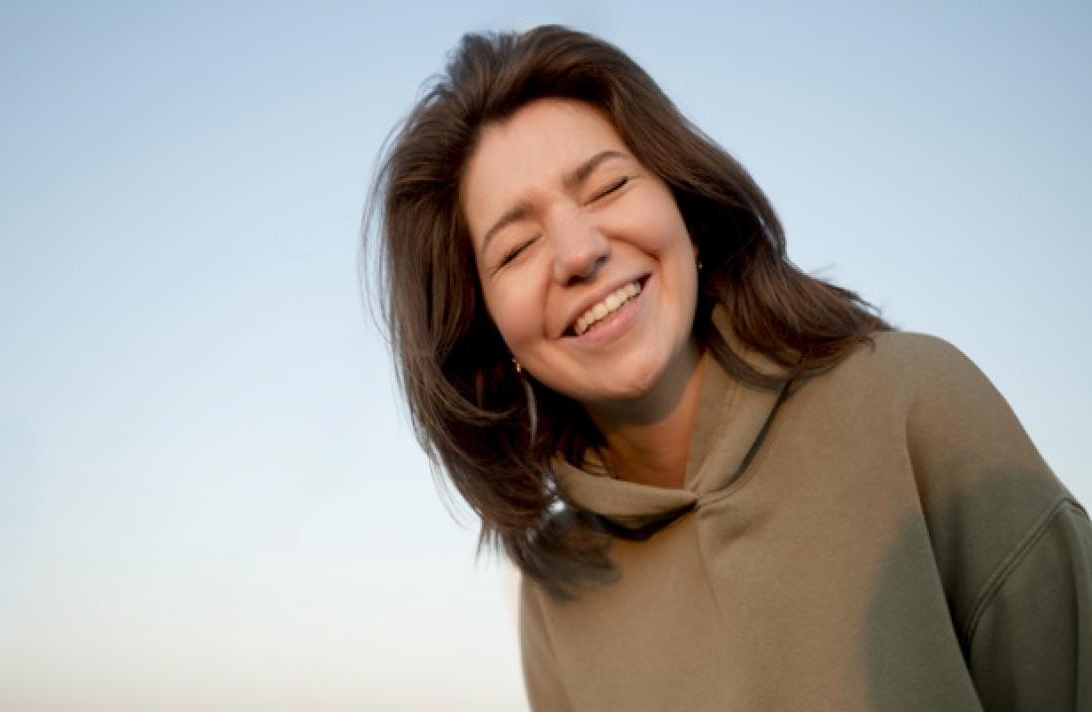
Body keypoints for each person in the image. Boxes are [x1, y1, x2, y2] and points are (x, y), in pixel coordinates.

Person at [365, 24, 1092, 711]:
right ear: (488, 333)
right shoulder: (555, 593)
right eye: (517, 248)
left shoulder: (915, 405)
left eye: (608, 187)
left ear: (686, 208)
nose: (579, 252)